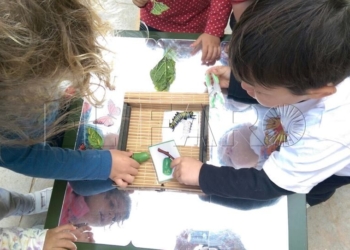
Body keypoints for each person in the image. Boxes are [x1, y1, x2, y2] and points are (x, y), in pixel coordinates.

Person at [170, 0, 350, 207]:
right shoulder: (314, 70)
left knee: (313, 189)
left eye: (259, 89)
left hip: (333, 165)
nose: (247, 87)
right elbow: (281, 87)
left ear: (317, 92)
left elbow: (268, 184)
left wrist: (203, 175)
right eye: (245, 77)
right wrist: (237, 82)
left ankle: (314, 198)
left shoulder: (326, 134)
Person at [0, 0, 138, 248]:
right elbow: (38, 159)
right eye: (50, 85)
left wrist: (92, 137)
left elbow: (63, 116)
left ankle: (29, 203)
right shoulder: (9, 138)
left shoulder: (25, 76)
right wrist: (35, 242)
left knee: (8, 201)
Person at [132, 0, 232, 65]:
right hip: (154, 19)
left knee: (189, 63)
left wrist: (213, 31)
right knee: (151, 60)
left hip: (194, 22)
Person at [59, 184, 131, 228]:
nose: (111, 215)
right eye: (112, 204)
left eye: (114, 218)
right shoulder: (64, 194)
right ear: (98, 190)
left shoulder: (74, 234)